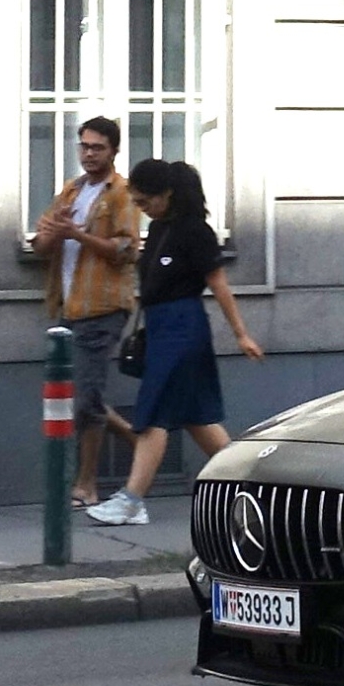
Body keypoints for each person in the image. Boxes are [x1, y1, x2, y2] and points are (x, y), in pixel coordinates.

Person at [86, 159, 264, 526]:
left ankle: (131, 500)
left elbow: (218, 284)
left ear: (166, 194)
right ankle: (252, 490)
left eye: (145, 202)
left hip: (183, 328)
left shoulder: (194, 232)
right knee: (196, 418)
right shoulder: (162, 229)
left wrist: (241, 334)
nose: (141, 209)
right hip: (163, 327)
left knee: (154, 413)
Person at [31, 116, 140, 509]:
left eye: (97, 147)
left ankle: (87, 485)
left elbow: (128, 250)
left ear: (113, 150)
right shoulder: (71, 191)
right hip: (68, 303)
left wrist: (79, 235)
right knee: (80, 396)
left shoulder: (122, 193)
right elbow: (42, 245)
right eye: (84, 146)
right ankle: (140, 442)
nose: (89, 154)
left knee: (86, 398)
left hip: (103, 305)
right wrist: (54, 233)